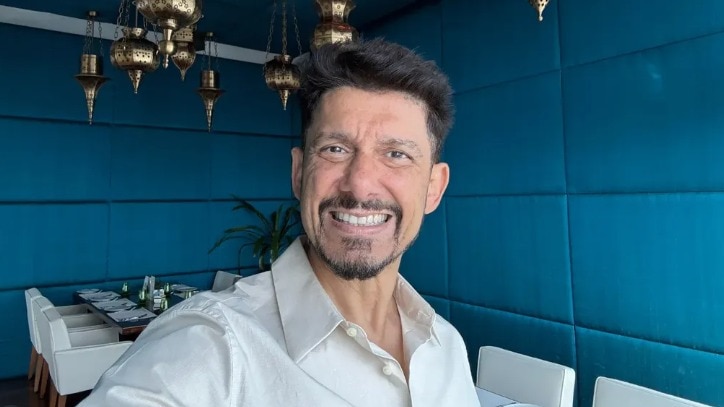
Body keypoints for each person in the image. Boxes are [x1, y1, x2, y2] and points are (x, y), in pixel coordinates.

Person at [79, 38, 479, 406]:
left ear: (433, 188)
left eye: (396, 155)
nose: (359, 184)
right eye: (335, 149)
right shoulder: (212, 345)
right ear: (298, 173)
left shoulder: (446, 346)